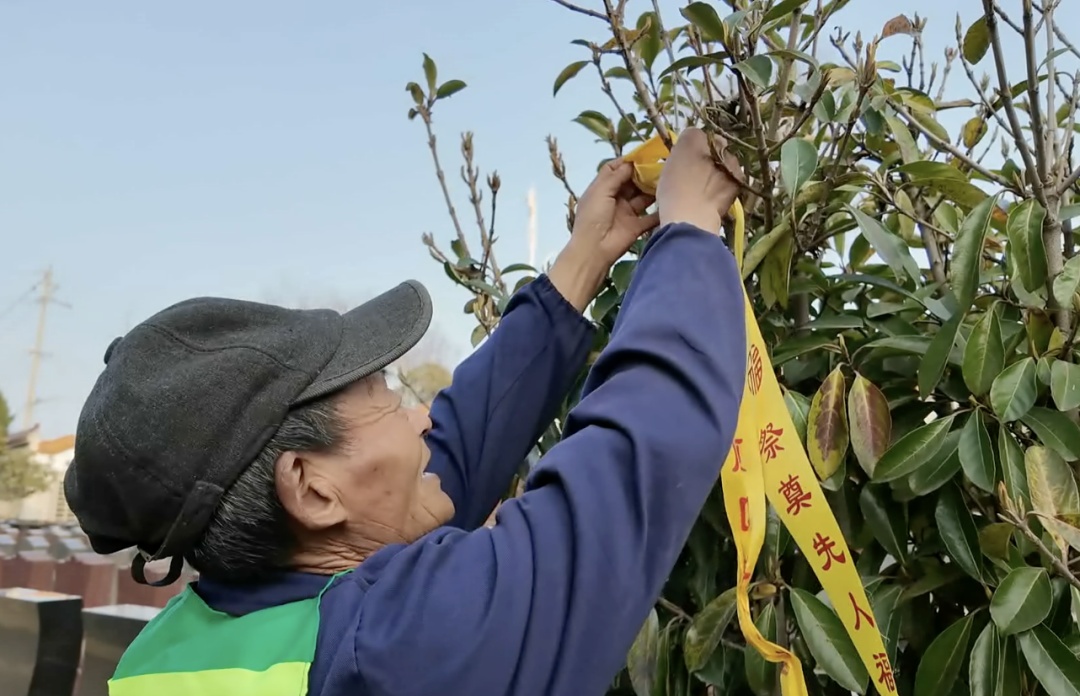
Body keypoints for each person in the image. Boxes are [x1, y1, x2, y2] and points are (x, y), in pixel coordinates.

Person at [64, 127, 747, 696]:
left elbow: (446, 457)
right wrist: (689, 231)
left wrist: (583, 259)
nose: (422, 419)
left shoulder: (172, 651)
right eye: (387, 397)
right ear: (309, 489)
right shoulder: (393, 652)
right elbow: (626, 475)